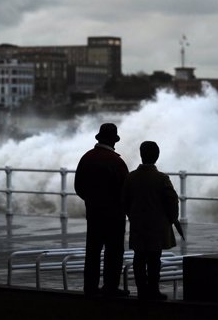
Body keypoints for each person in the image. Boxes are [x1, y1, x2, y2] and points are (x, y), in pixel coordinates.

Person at [74, 123, 129, 297]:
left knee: (93, 251)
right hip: (114, 215)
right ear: (113, 141)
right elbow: (125, 190)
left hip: (94, 213)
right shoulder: (116, 162)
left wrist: (91, 200)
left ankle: (90, 287)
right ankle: (110, 287)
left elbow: (78, 186)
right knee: (113, 251)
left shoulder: (87, 158)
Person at [122, 141, 179, 300]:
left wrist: (132, 216)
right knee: (154, 259)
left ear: (141, 155)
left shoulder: (131, 177)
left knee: (139, 257)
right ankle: (153, 290)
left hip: (138, 225)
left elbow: (124, 202)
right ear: (157, 156)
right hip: (157, 227)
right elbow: (172, 201)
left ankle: (142, 290)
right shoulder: (162, 179)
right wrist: (172, 218)